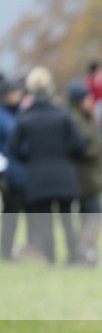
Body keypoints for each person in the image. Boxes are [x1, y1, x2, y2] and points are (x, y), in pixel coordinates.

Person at [9, 66, 85, 264]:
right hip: (63, 174)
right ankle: (72, 257)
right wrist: (65, 156)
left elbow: (13, 149)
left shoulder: (25, 118)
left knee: (45, 221)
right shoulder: (62, 115)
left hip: (38, 176)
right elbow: (79, 143)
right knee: (67, 220)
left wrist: (30, 157)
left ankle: (51, 259)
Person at [66, 78, 102, 266]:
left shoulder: (84, 117)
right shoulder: (75, 119)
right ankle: (84, 252)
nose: (91, 101)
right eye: (87, 98)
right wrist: (96, 151)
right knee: (95, 215)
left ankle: (84, 253)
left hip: (87, 175)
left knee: (88, 216)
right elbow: (80, 147)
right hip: (83, 176)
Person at [0, 75, 27, 261]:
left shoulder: (22, 113)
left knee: (14, 212)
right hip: (6, 169)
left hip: (21, 170)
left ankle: (8, 249)